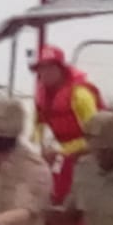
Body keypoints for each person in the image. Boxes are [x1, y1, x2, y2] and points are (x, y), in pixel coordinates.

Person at [31, 44, 105, 204]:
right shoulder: (41, 96)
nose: (45, 73)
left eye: (50, 68)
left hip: (85, 152)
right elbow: (38, 130)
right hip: (60, 153)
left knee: (65, 189)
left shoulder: (80, 94)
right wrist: (41, 150)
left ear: (61, 69)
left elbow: (97, 135)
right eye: (41, 69)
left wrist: (62, 152)